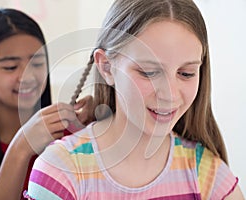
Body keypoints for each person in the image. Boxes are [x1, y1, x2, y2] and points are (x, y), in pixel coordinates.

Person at [25, 0, 245, 199]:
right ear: (107, 67)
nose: (169, 94)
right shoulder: (61, 171)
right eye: (149, 72)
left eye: (186, 73)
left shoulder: (209, 176)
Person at [0, 8, 93, 200]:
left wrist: (104, 115)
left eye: (38, 63)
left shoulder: (69, 133)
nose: (28, 77)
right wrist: (21, 147)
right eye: (11, 67)